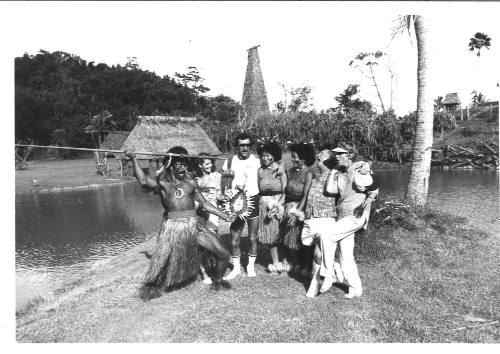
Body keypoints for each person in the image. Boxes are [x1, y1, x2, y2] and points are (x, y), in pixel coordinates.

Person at [125, 146, 234, 300]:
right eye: (179, 163)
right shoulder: (163, 183)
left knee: (223, 253)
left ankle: (218, 281)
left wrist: (224, 215)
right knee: (161, 264)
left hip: (193, 225)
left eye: (184, 163)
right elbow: (143, 180)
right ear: (171, 164)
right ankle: (153, 287)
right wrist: (133, 159)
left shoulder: (191, 181)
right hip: (172, 227)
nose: (183, 166)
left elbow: (205, 204)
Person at [311, 145, 379, 299]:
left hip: (356, 214)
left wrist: (367, 201)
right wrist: (334, 171)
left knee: (326, 234)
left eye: (340, 153)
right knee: (345, 255)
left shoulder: (358, 166)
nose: (336, 155)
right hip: (343, 216)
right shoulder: (340, 173)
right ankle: (356, 288)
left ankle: (328, 274)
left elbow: (374, 186)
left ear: (349, 155)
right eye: (334, 153)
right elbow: (330, 190)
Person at [221, 133, 262, 280]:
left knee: (252, 237)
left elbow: (268, 173)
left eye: (247, 145)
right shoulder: (229, 161)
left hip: (253, 199)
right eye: (241, 145)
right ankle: (236, 268)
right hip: (235, 202)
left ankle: (250, 266)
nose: (244, 148)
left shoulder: (257, 161)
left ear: (250, 146)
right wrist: (224, 195)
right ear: (237, 146)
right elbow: (224, 182)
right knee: (234, 239)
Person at [302, 148, 339, 297]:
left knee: (319, 253)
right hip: (312, 218)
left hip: (326, 218)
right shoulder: (315, 176)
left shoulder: (334, 175)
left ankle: (315, 282)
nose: (318, 155)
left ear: (328, 159)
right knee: (314, 250)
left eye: (322, 154)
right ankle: (333, 270)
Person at [280, 143, 315, 274]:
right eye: (292, 157)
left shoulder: (309, 173)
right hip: (288, 207)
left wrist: (296, 213)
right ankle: (293, 262)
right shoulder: (291, 171)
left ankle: (306, 265)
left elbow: (305, 195)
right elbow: (286, 193)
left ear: (304, 159)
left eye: (295, 157)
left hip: (300, 209)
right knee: (288, 238)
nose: (293, 160)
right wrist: (279, 206)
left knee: (300, 239)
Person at [257, 141, 287, 273]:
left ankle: (286, 260)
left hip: (279, 202)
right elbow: (260, 189)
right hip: (265, 204)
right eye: (263, 155)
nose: (265, 158)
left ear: (274, 155)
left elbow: (286, 191)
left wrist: (277, 205)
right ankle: (275, 262)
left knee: (281, 234)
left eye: (268, 155)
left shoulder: (280, 170)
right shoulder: (260, 171)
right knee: (270, 235)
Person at [195, 154, 223, 285]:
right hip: (198, 211)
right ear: (200, 165)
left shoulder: (217, 176)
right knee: (201, 244)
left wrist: (226, 195)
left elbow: (218, 195)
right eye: (206, 164)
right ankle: (204, 272)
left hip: (212, 211)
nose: (210, 165)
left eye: (211, 163)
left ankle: (215, 270)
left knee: (213, 238)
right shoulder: (195, 179)